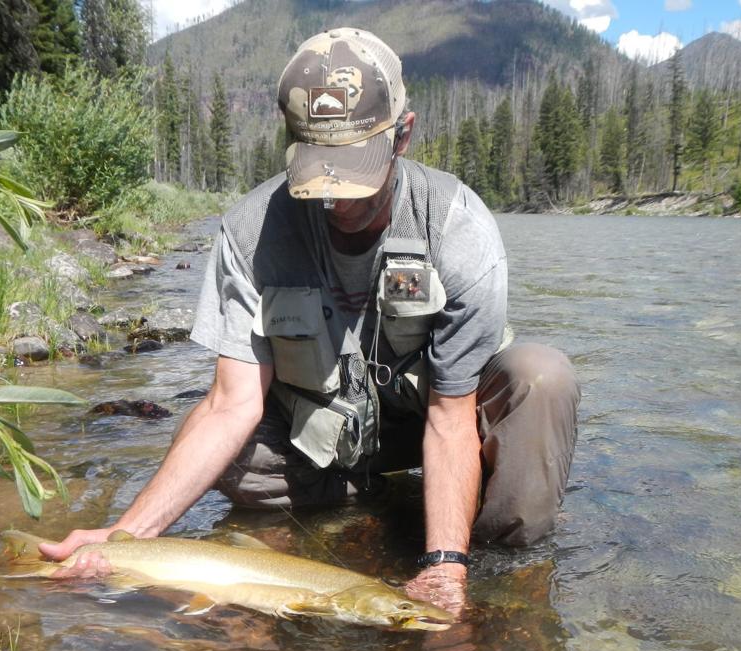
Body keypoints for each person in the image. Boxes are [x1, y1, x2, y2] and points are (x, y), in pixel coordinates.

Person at [40, 27, 580, 615]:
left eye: (354, 171)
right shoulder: (251, 233)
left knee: (541, 378)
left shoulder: (456, 227)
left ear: (403, 135)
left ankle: (506, 571)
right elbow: (230, 405)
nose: (335, 199)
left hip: (434, 425)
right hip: (326, 442)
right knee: (224, 455)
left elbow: (452, 418)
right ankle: (364, 500)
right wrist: (126, 539)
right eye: (319, 169)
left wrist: (444, 567)